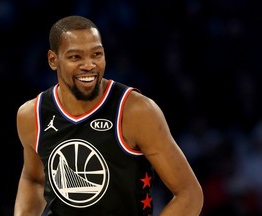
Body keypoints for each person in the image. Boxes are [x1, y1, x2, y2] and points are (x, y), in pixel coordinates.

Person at [14, 15, 203, 216]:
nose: (89, 65)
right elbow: (34, 180)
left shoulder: (136, 110)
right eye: (75, 57)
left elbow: (189, 194)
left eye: (96, 54)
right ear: (53, 60)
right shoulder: (32, 114)